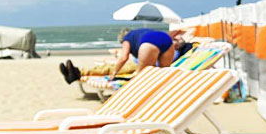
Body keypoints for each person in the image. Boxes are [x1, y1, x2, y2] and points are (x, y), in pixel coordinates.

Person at [58, 29, 188, 85]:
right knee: (162, 74)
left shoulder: (129, 38)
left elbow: (124, 57)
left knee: (132, 75)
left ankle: (77, 73)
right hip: (156, 50)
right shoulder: (173, 45)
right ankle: (77, 72)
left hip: (144, 54)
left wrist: (115, 73)